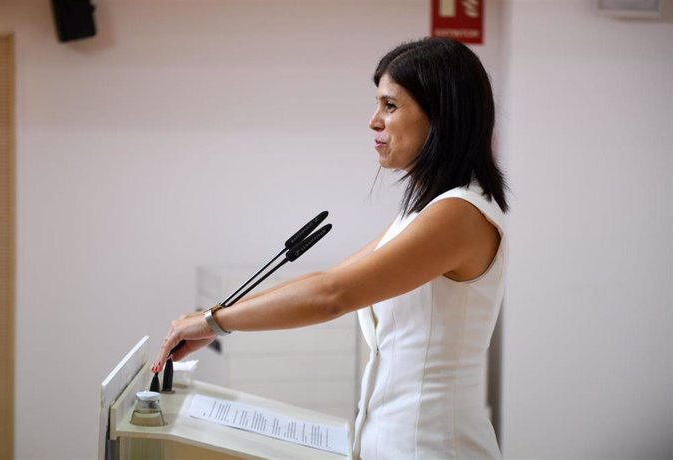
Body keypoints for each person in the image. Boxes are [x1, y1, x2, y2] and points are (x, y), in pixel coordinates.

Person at [154, 37, 508, 459]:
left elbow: (331, 298)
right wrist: (210, 318)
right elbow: (326, 280)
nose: (373, 121)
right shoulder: (424, 212)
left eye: (390, 106)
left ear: (441, 115)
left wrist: (214, 323)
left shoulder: (458, 215)